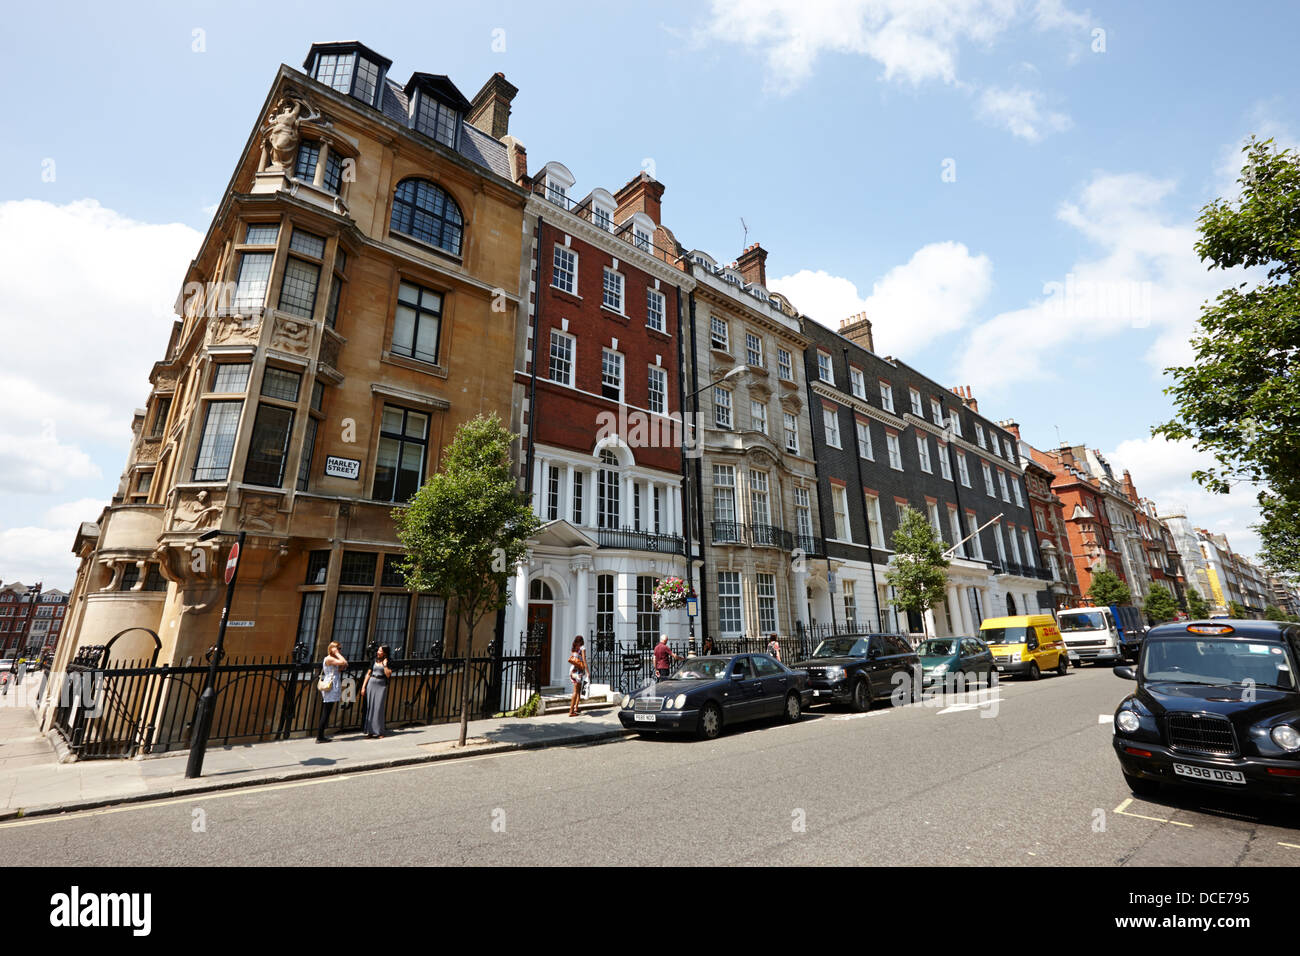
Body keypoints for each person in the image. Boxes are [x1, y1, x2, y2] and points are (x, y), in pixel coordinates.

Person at [316, 642, 348, 743]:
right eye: (338, 648)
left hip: (334, 683)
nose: (340, 650)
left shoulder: (334, 659)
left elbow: (343, 665)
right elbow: (343, 662)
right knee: (326, 711)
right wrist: (337, 653)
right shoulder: (329, 658)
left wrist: (342, 662)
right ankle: (320, 737)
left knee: (328, 710)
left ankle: (321, 736)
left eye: (340, 649)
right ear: (332, 649)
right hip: (330, 685)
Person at [360, 645, 393, 739]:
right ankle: (370, 731)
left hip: (381, 684)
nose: (378, 652)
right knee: (370, 707)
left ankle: (379, 731)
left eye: (380, 651)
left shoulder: (388, 661)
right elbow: (368, 673)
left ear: (385, 653)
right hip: (371, 683)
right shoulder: (374, 660)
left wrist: (385, 665)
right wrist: (363, 687)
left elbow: (388, 675)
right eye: (378, 650)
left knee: (378, 708)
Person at [567, 636, 586, 717]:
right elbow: (584, 661)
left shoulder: (574, 649)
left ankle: (576, 708)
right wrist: (587, 672)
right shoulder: (582, 649)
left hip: (572, 671)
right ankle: (571, 711)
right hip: (578, 672)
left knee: (578, 690)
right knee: (576, 691)